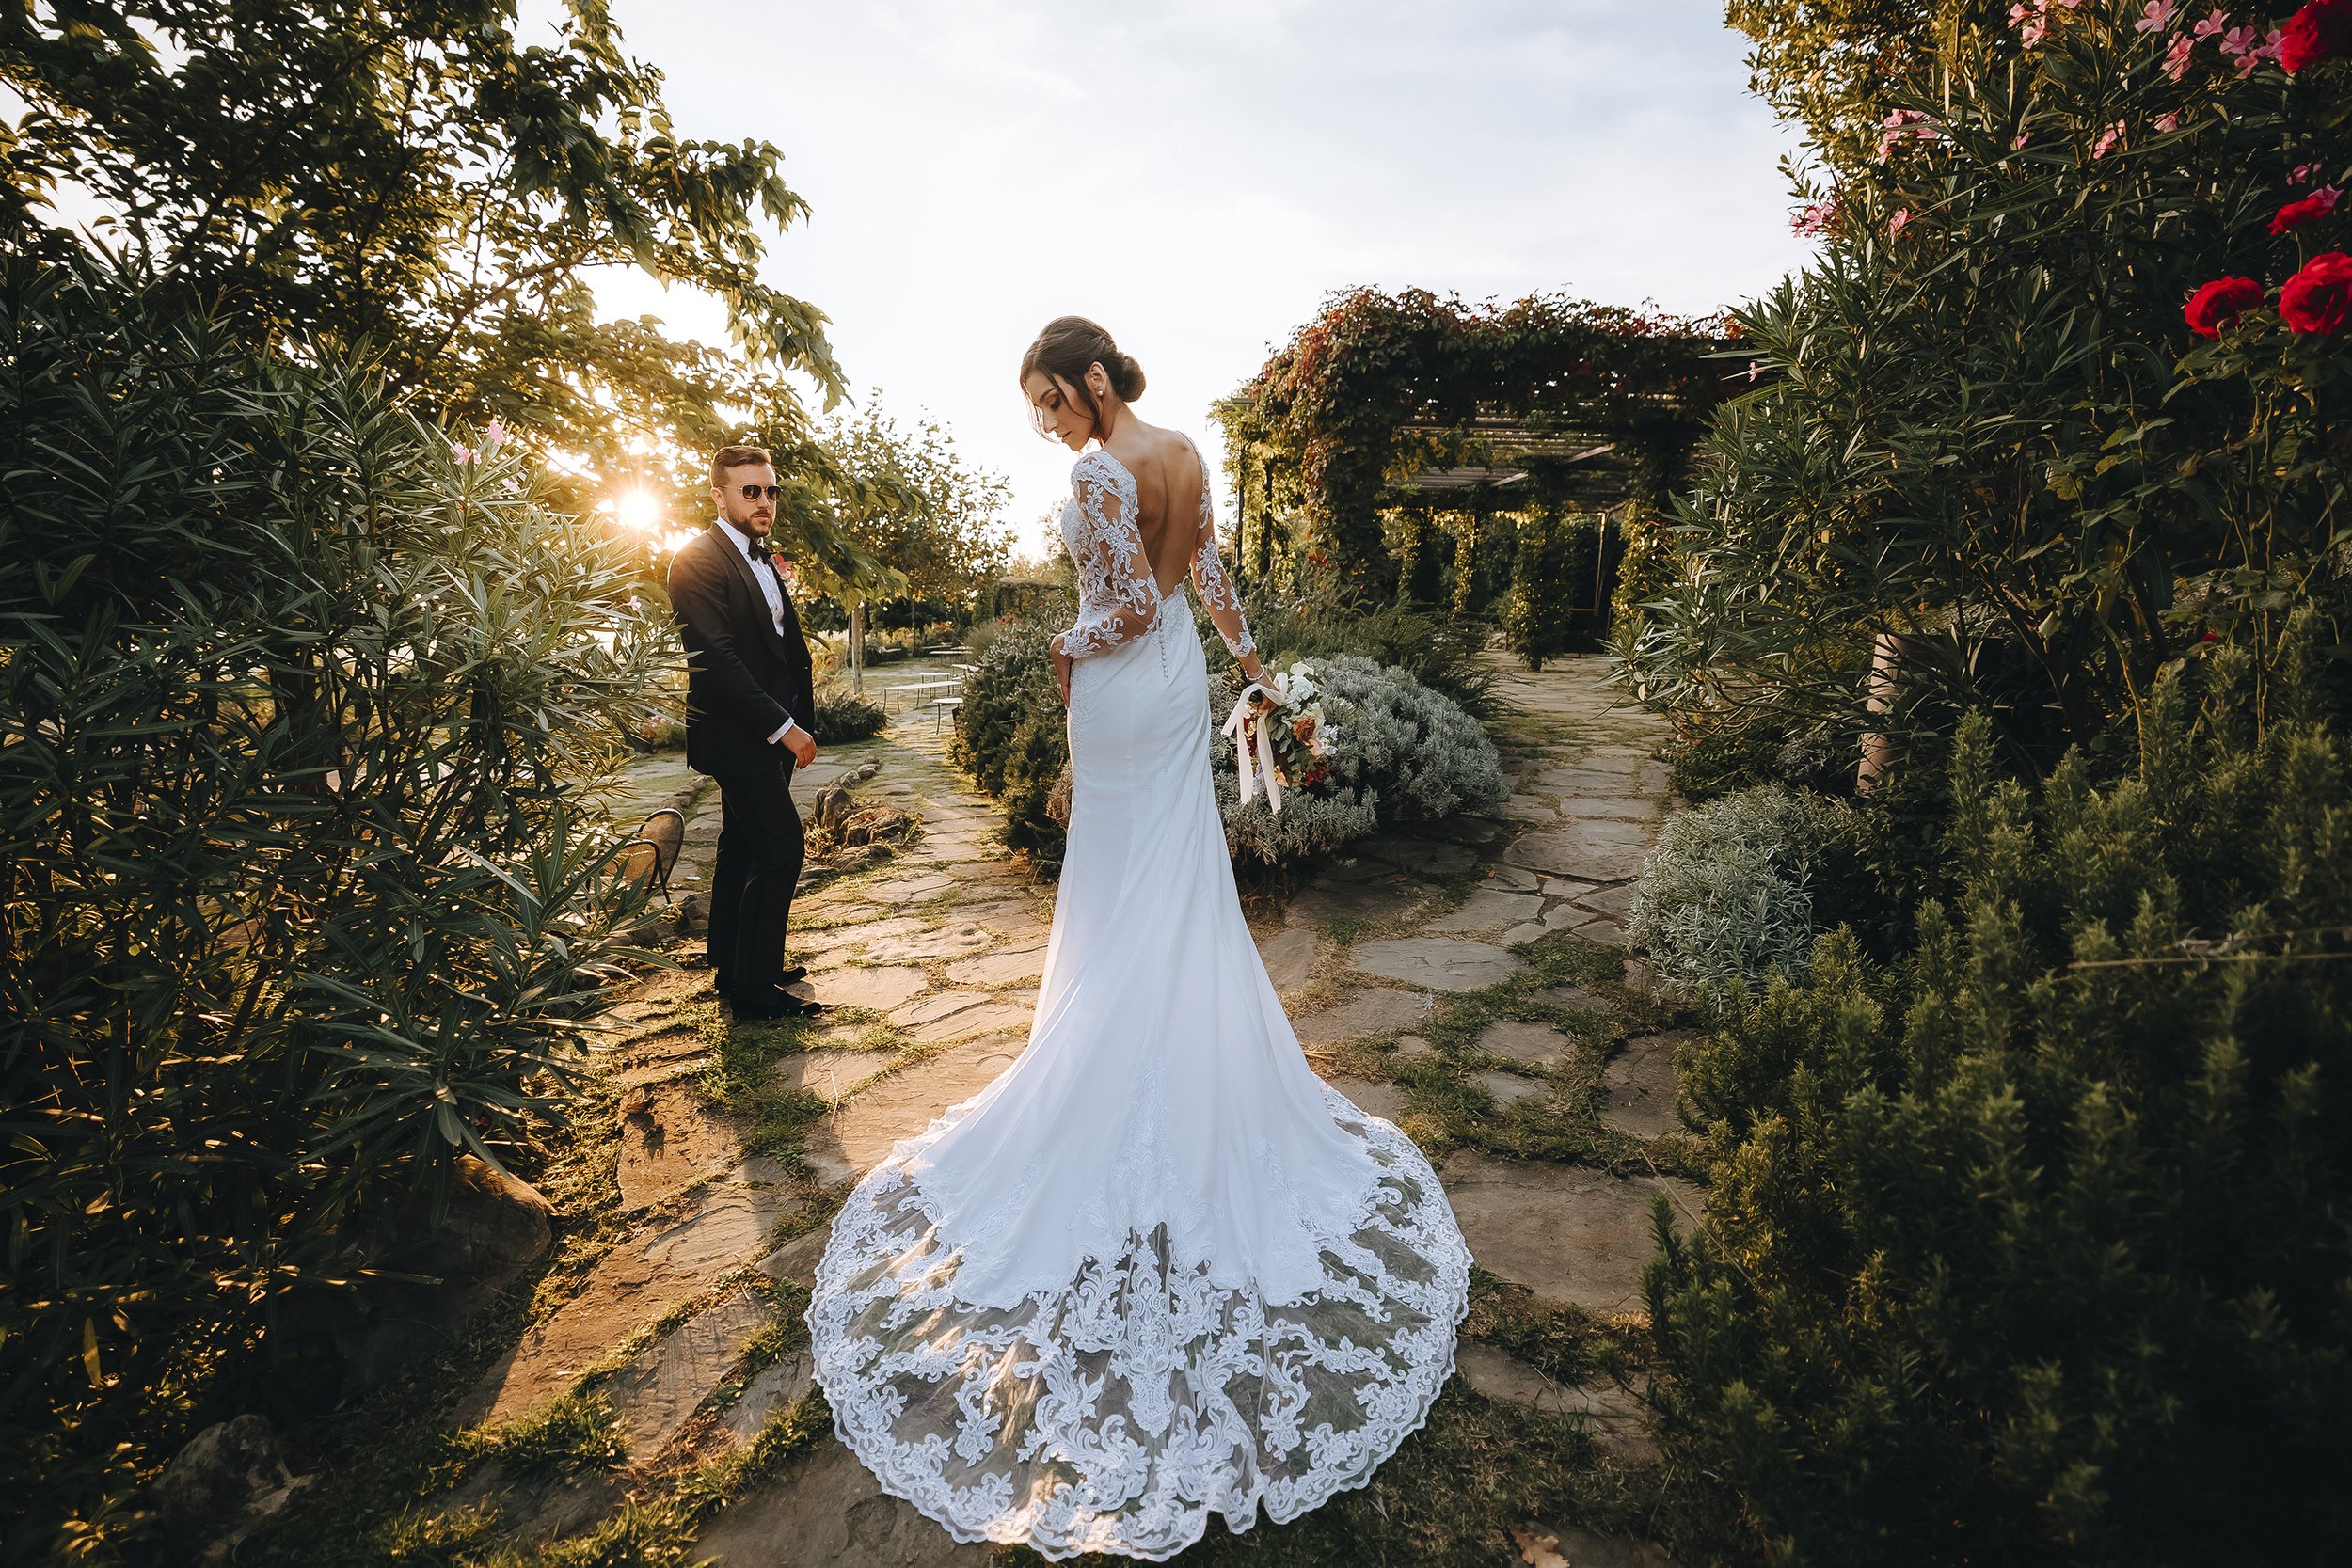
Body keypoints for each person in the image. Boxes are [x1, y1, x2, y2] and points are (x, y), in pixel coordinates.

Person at [806, 319, 1470, 1560]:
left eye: (1052, 400)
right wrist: (1251, 666)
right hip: (1181, 689)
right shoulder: (1185, 451)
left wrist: (1058, 646)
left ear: (1090, 377)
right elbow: (1201, 575)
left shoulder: (1103, 470)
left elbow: (1111, 608)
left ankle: (1117, 1057)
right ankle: (1166, 1045)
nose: (1050, 424)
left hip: (1120, 690)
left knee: (1117, 888)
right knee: (1177, 881)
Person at [666, 444, 825, 1022]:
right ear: (719, 495)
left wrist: (800, 714)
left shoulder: (759, 557)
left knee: (740, 845)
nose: (764, 501)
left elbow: (780, 650)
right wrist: (783, 729)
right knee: (781, 848)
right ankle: (755, 991)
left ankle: (735, 965)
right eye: (750, 491)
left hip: (769, 731)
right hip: (741, 735)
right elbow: (718, 657)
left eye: (771, 491)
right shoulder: (697, 560)